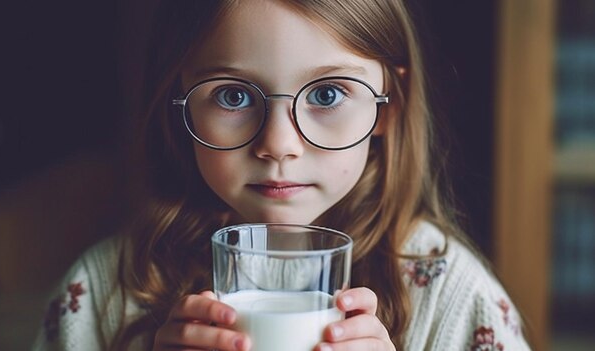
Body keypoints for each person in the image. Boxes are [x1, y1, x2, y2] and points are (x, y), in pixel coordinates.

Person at [32, 0, 532, 350]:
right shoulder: (103, 293)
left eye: (327, 94)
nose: (279, 145)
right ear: (177, 106)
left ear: (388, 108)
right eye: (233, 95)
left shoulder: (451, 293)